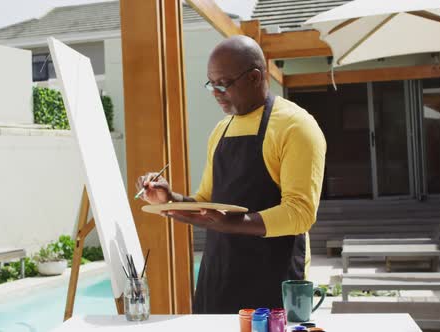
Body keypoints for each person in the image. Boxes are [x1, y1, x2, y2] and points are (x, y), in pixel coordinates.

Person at [136, 35, 326, 314]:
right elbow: (206, 202)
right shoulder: (220, 131)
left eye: (223, 83)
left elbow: (301, 213)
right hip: (219, 278)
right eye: (211, 84)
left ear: (254, 77)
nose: (216, 92)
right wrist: (169, 198)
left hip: (274, 283)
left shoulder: (296, 127)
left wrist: (232, 224)